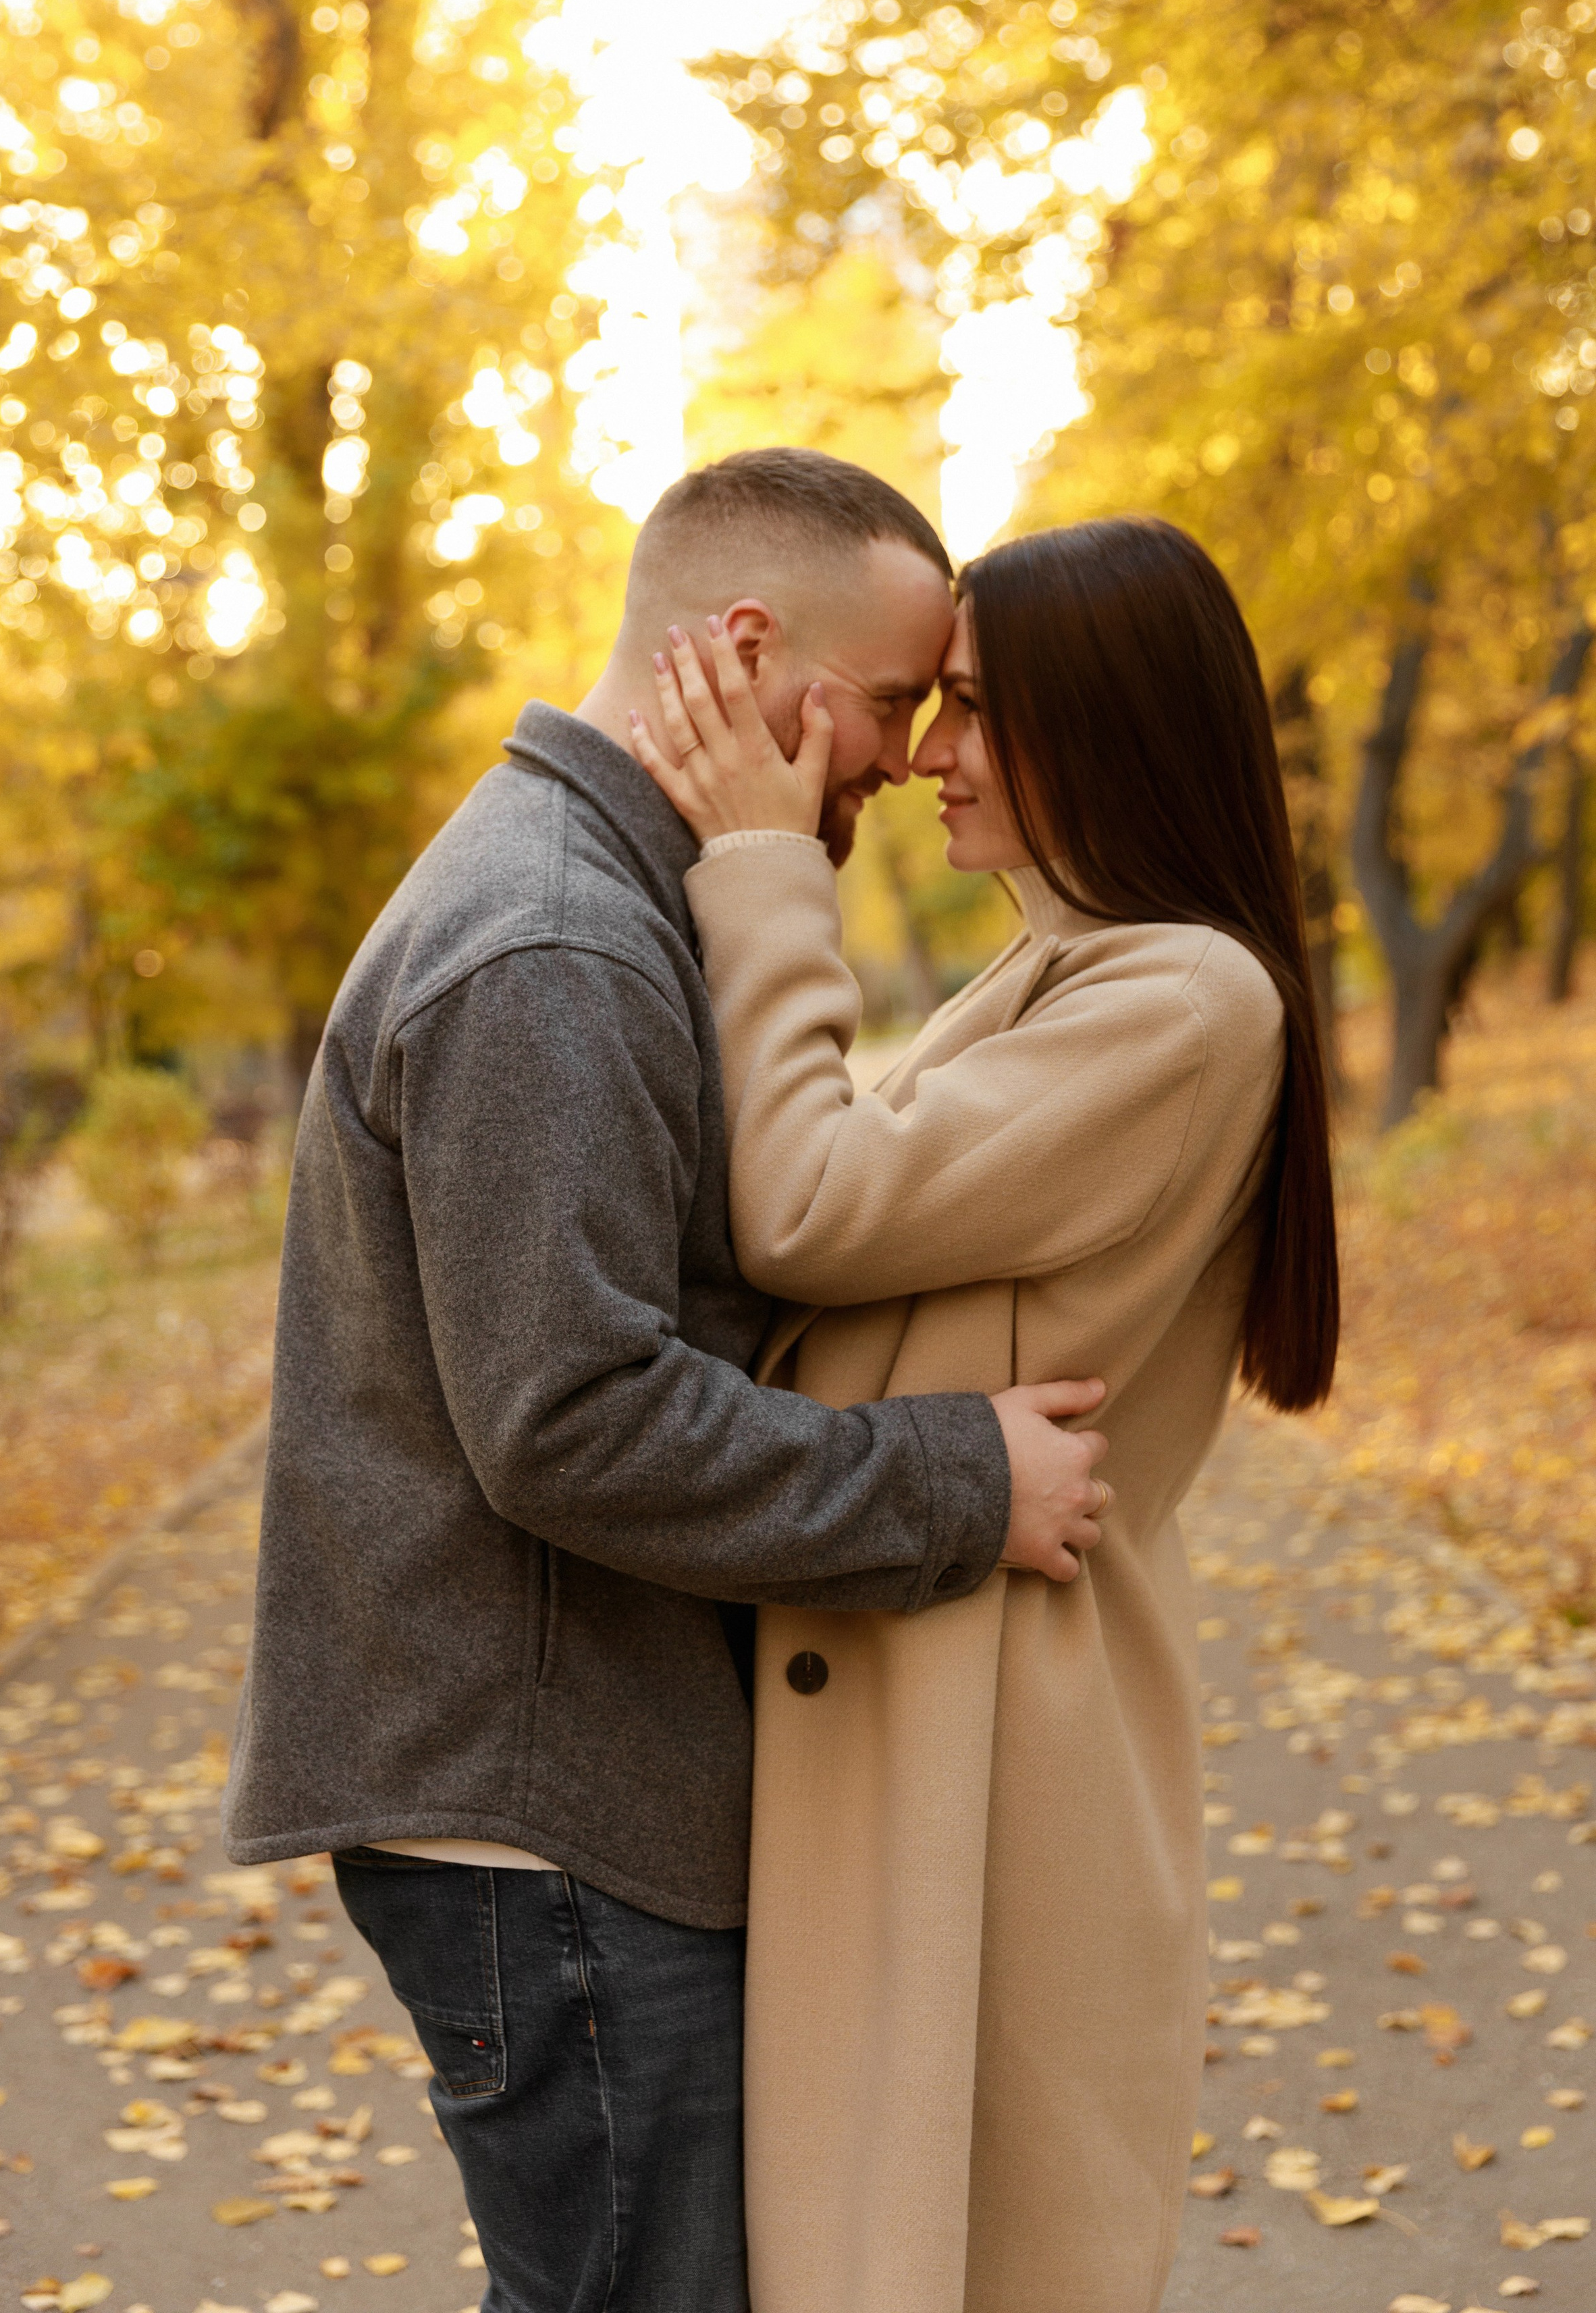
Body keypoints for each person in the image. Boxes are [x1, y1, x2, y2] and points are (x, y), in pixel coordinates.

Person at [221, 449, 1114, 2313]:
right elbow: (576, 1419)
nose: (897, 751)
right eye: (884, 702)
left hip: (576, 1781)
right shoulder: (552, 941)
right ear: (743, 648)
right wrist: (961, 1483)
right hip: (545, 1809)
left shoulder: (621, 903)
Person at [631, 512, 1339, 2313]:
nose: (930, 757)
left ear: (1103, 727)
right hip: (936, 1697)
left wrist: (762, 862)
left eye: (971, 713)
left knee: (965, 2257)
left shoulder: (1184, 998)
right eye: (933, 707)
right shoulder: (1060, 971)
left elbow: (804, 1201)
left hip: (1004, 1744)